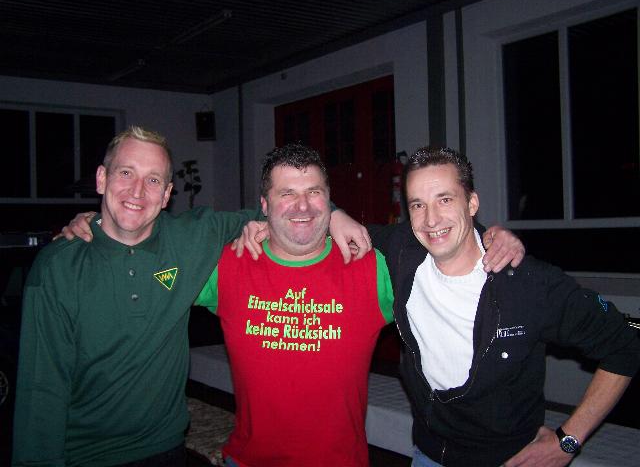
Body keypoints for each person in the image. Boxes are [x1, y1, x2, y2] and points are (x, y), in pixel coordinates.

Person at [11, 127, 371, 467]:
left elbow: (286, 209)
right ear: (102, 179)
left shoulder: (192, 237)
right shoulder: (59, 266)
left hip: (165, 448)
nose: (137, 191)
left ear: (167, 194)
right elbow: (40, 388)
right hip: (83, 455)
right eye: (126, 173)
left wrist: (335, 214)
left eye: (153, 180)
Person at [382, 146, 640, 467]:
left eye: (444, 200)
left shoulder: (527, 284)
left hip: (509, 460)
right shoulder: (401, 250)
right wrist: (337, 215)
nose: (431, 219)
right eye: (418, 205)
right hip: (429, 455)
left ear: (472, 203)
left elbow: (624, 346)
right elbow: (329, 224)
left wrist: (568, 439)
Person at [194, 143, 394, 466]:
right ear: (264, 205)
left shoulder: (370, 267)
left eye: (314, 192)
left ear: (329, 200)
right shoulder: (230, 263)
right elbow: (160, 272)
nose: (303, 206)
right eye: (287, 193)